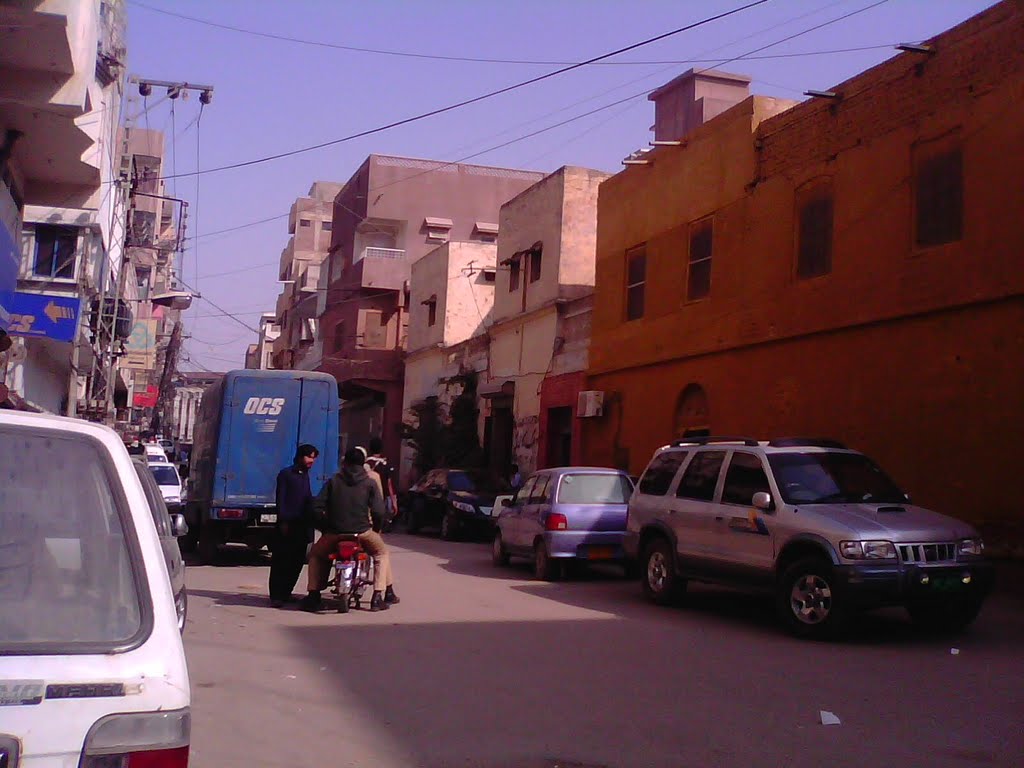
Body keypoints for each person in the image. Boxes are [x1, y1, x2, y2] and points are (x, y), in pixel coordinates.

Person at [301, 447, 399, 613]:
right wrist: (376, 529)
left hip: (334, 533)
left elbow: (316, 507)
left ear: (344, 462)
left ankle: (313, 594)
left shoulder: (333, 481)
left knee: (317, 555)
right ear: (363, 464)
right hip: (362, 533)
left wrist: (325, 527)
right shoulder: (370, 483)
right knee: (381, 553)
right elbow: (378, 511)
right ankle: (377, 596)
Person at [269, 444, 318, 607]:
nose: (311, 460)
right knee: (281, 561)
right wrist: (283, 521)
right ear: (300, 456)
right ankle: (276, 595)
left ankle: (286, 593)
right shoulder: (286, 474)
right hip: (287, 525)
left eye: (313, 457)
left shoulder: (305, 475)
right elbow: (281, 499)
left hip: (302, 526)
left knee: (296, 562)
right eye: (309, 456)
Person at [366, 437, 398, 530]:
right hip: (381, 497)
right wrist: (394, 502)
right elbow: (389, 485)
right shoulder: (385, 465)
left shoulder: (365, 463)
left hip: (365, 497)